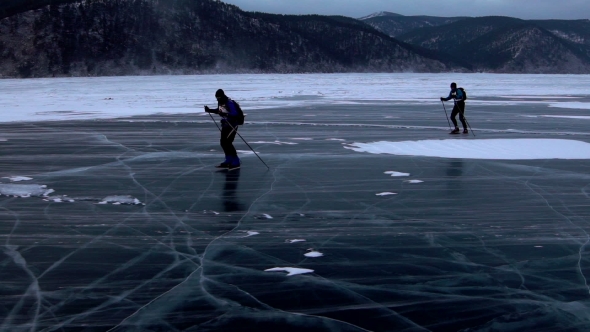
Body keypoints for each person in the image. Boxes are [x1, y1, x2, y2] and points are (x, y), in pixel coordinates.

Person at [204, 89, 241, 170]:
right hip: (225, 125)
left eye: (219, 97)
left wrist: (225, 114)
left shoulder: (229, 102)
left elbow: (235, 113)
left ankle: (236, 160)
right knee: (223, 142)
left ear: (222, 96)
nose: (218, 99)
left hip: (232, 125)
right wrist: (209, 110)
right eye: (217, 98)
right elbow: (219, 111)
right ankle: (228, 159)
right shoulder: (221, 102)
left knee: (228, 142)